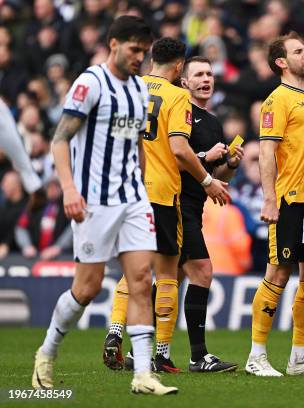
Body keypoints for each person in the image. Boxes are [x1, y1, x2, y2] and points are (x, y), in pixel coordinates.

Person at [31, 15, 178, 395]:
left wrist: (142, 188)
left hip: (132, 198)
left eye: (144, 53)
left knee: (142, 279)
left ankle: (144, 373)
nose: (139, 59)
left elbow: (137, 147)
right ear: (113, 44)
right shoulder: (89, 83)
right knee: (88, 287)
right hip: (95, 201)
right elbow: (60, 140)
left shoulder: (140, 91)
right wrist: (68, 189)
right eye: (134, 50)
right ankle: (46, 352)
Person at [102, 37, 229, 374]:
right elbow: (179, 150)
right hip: (162, 193)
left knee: (134, 268)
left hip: (126, 191)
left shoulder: (129, 88)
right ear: (178, 69)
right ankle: (161, 353)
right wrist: (207, 180)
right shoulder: (177, 97)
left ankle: (116, 331)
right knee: (167, 273)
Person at [245, 32, 304, 377]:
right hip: (289, 199)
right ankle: (256, 355)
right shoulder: (276, 101)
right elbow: (266, 153)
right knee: (277, 272)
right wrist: (270, 199)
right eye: (298, 51)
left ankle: (299, 357)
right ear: (280, 62)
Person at [178, 56, 243, 373]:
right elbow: (174, 156)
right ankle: (198, 356)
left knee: (168, 278)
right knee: (202, 272)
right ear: (184, 81)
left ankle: (142, 350)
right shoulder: (181, 113)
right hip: (174, 204)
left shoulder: (214, 122)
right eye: (199, 74)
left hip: (194, 205)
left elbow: (217, 182)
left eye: (210, 74)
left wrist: (229, 164)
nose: (206, 79)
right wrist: (206, 155)